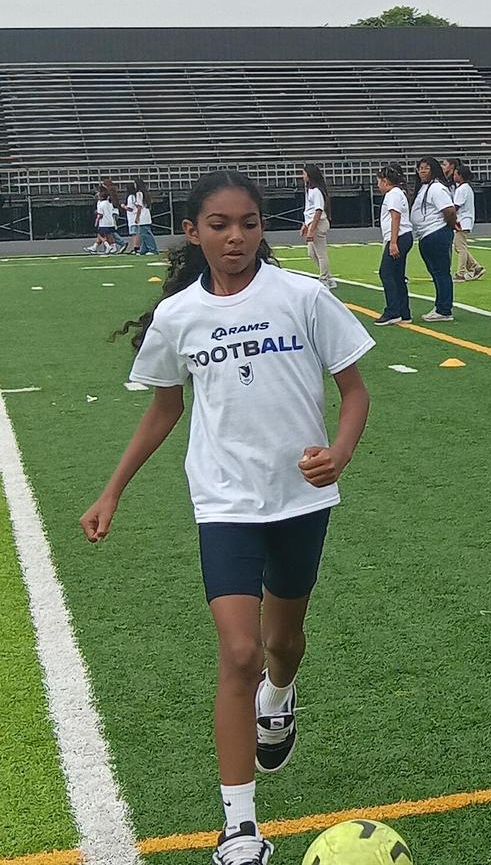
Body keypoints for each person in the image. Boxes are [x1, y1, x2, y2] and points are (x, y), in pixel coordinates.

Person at [85, 170, 373, 865]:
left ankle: (282, 693)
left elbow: (355, 392)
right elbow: (164, 408)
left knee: (283, 643)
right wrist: (112, 489)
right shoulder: (179, 317)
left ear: (260, 229)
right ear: (192, 232)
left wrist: (338, 453)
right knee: (238, 652)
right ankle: (239, 828)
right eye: (218, 225)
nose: (235, 236)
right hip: (224, 503)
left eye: (247, 223)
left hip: (301, 502)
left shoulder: (303, 297)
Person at [409, 158, 458, 322]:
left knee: (441, 272)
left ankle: (444, 309)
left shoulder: (437, 188)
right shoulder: (425, 187)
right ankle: (441, 306)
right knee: (436, 272)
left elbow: (449, 210)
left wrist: (450, 225)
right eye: (420, 168)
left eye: (426, 168)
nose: (422, 171)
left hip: (436, 232)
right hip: (427, 233)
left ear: (434, 170)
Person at [373, 166, 414, 325]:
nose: (378, 185)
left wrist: (393, 242)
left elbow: (395, 217)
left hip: (399, 237)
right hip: (402, 236)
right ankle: (404, 312)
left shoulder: (393, 194)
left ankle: (392, 311)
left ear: (385, 181)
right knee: (397, 276)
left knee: (386, 273)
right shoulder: (398, 193)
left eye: (379, 182)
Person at [445, 159, 486, 281]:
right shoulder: (466, 188)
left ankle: (461, 272)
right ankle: (475, 267)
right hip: (465, 220)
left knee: (460, 247)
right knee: (460, 246)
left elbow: (456, 207)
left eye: (456, 174)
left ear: (461, 176)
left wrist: (449, 218)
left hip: (462, 221)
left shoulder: (461, 189)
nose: (454, 176)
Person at [300, 164, 336, 289]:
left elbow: (318, 210)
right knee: (312, 253)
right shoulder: (310, 190)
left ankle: (324, 278)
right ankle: (328, 276)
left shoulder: (316, 191)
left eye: (304, 173)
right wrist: (306, 224)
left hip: (318, 223)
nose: (303, 176)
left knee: (320, 253)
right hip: (312, 223)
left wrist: (312, 228)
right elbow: (309, 210)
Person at [126, 177, 157, 255]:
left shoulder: (139, 193)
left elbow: (139, 206)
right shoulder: (145, 193)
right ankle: (144, 249)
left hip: (142, 216)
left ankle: (153, 249)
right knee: (143, 234)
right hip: (146, 214)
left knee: (146, 234)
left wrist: (137, 217)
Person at [88, 187, 120, 255]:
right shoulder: (109, 203)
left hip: (104, 222)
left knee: (100, 235)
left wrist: (96, 221)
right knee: (109, 235)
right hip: (110, 221)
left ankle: (107, 246)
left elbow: (100, 214)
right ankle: (112, 247)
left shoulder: (101, 204)